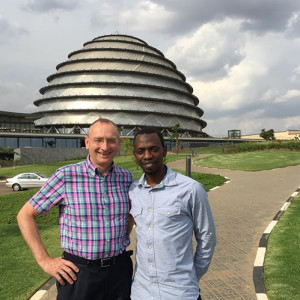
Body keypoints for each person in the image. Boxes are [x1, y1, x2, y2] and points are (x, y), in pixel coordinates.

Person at [17, 118, 134, 300]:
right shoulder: (66, 176)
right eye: (98, 140)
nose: (105, 146)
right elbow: (25, 215)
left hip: (119, 272)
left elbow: (130, 215)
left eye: (111, 140)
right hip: (79, 274)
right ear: (87, 142)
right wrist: (44, 261)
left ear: (118, 144)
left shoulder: (126, 178)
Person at [129, 127, 216, 300]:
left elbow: (207, 238)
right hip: (141, 293)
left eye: (153, 149)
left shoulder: (191, 189)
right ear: (135, 155)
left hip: (180, 293)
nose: (147, 156)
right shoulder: (133, 191)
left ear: (164, 151)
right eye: (141, 151)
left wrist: (190, 278)